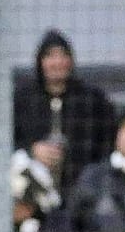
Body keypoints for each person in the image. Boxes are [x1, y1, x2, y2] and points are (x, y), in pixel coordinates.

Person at [14, 30, 116, 189]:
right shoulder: (22, 100)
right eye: (50, 56)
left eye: (63, 55)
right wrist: (31, 150)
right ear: (40, 61)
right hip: (32, 191)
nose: (58, 62)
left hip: (82, 190)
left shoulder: (92, 100)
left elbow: (108, 143)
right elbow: (5, 142)